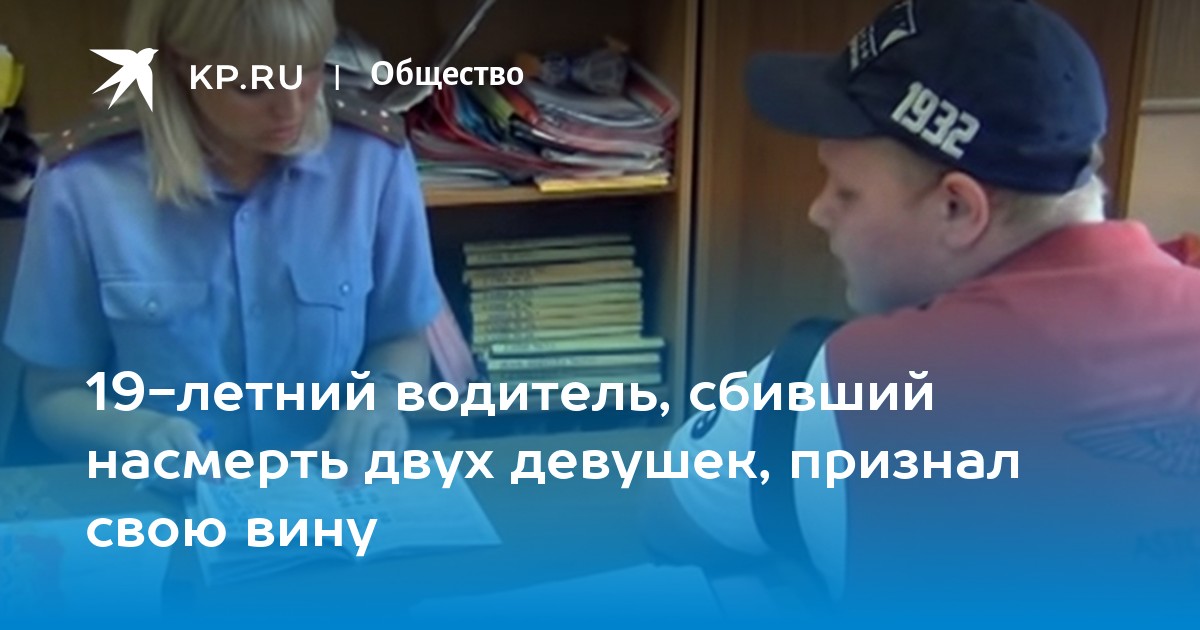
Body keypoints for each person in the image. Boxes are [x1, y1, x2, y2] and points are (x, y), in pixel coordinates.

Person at [644, 0, 1200, 623]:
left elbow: (673, 516)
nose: (819, 211)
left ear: (958, 209)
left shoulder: (839, 386)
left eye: (846, 189)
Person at [3, 0, 443, 485]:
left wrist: (382, 400)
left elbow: (400, 338)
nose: (291, 108)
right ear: (179, 64)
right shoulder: (84, 183)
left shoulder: (371, 160)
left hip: (332, 495)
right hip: (163, 504)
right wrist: (138, 435)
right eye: (252, 87)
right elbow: (52, 394)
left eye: (308, 69)